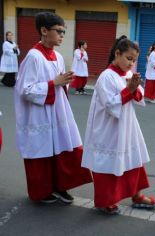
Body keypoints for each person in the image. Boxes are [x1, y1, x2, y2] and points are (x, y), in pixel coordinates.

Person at [14, 12, 92, 204]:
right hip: (39, 114)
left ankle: (60, 186)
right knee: (42, 152)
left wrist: (64, 80)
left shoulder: (57, 56)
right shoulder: (33, 56)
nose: (62, 35)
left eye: (64, 31)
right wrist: (54, 83)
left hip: (57, 111)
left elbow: (58, 83)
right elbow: (25, 89)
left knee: (62, 148)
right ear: (43, 31)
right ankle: (42, 192)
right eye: (59, 31)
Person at [82, 35, 155, 214]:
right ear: (117, 54)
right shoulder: (106, 77)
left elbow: (139, 95)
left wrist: (135, 88)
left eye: (134, 60)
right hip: (108, 127)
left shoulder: (129, 73)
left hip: (127, 126)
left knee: (134, 159)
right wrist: (129, 90)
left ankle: (137, 195)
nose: (132, 63)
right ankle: (106, 201)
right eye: (129, 58)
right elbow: (110, 104)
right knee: (108, 164)